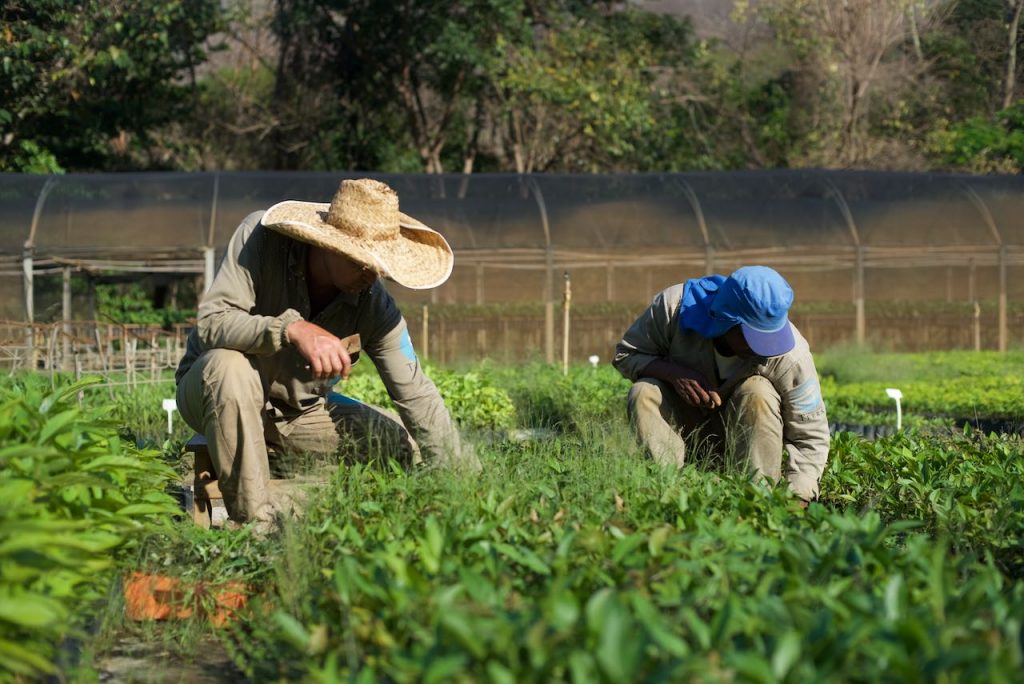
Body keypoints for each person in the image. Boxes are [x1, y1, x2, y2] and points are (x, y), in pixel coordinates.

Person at [175, 178, 479, 527]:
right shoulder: (261, 241)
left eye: (378, 266)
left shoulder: (372, 304)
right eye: (361, 261)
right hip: (212, 392)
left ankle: (348, 518)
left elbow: (417, 393)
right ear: (325, 245)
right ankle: (256, 529)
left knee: (395, 445)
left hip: (297, 414)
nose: (371, 274)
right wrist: (291, 329)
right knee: (229, 366)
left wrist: (463, 485)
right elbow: (212, 322)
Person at [612, 266, 829, 504]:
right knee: (644, 392)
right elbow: (627, 354)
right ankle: (670, 492)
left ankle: (756, 500)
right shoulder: (674, 308)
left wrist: (797, 497)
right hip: (688, 433)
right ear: (725, 321)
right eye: (754, 337)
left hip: (748, 445)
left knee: (758, 391)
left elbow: (811, 436)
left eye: (770, 337)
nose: (764, 348)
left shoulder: (792, 355)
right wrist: (673, 372)